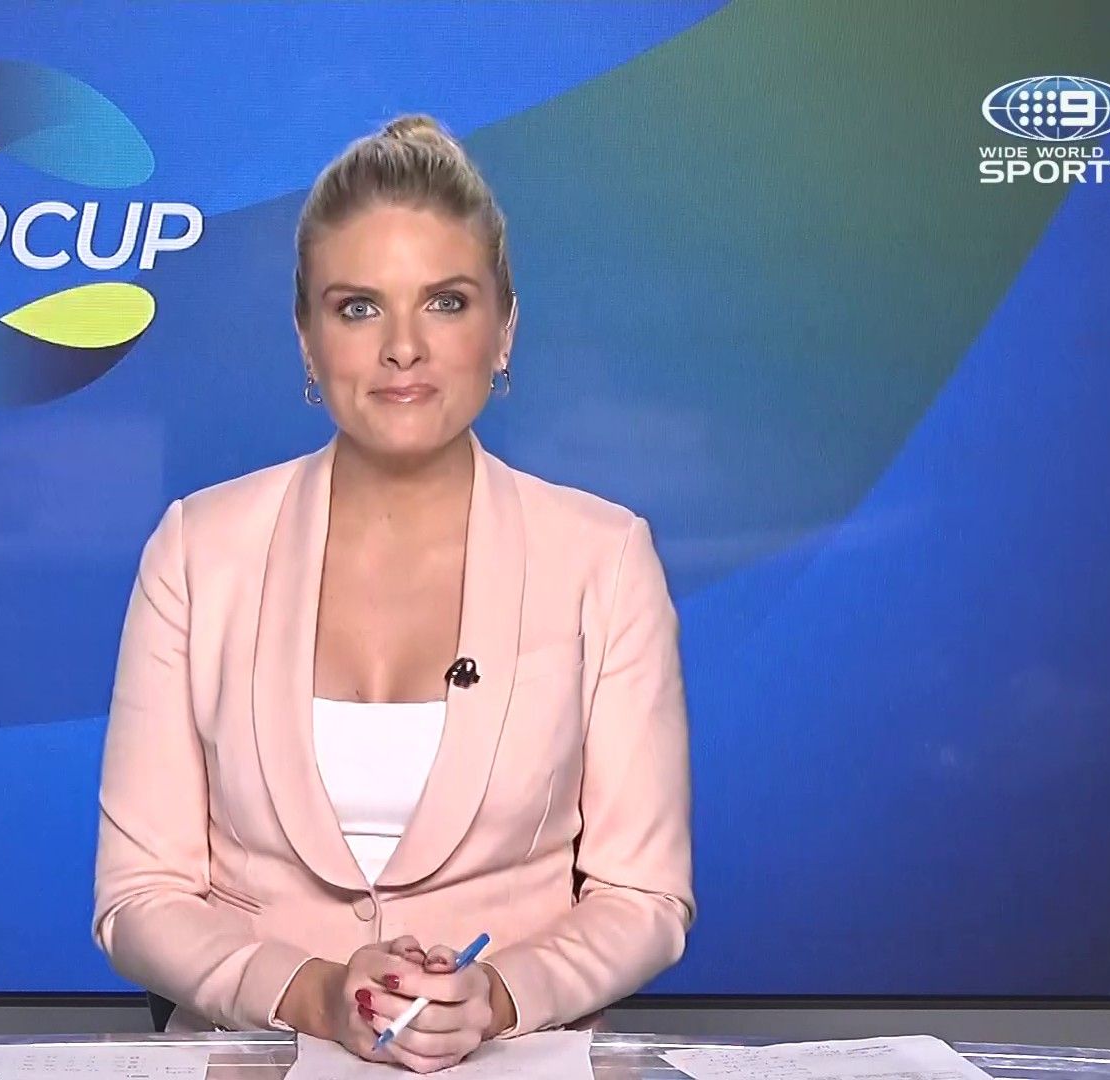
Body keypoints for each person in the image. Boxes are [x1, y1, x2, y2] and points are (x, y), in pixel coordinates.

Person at [92, 114, 693, 1071]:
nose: (403, 347)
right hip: (259, 1061)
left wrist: (497, 997)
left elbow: (645, 898)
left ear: (505, 329)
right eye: (359, 308)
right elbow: (139, 898)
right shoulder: (197, 551)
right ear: (306, 337)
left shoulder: (605, 558)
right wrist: (315, 993)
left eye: (446, 302)